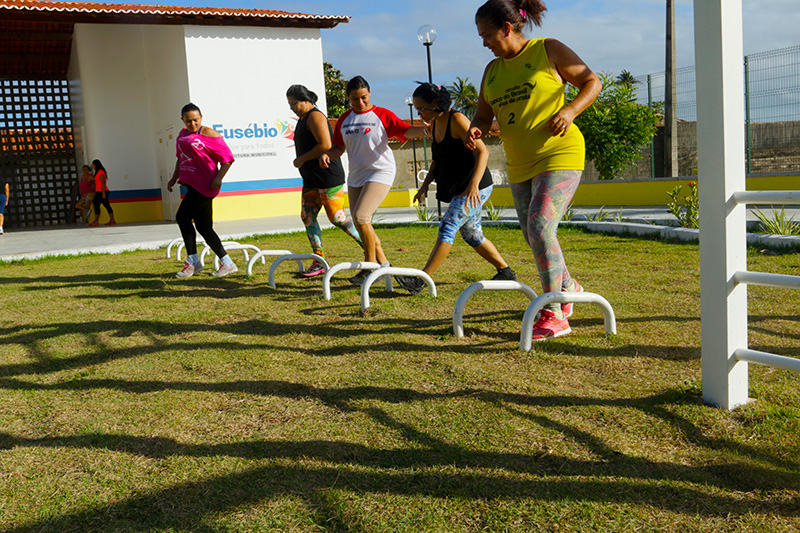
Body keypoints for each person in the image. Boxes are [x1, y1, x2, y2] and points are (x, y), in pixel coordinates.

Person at [466, 0, 601, 340]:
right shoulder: (492, 72)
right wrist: (476, 127)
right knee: (532, 233)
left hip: (560, 153)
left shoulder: (547, 50)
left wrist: (570, 111)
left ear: (507, 28)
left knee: (540, 227)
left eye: (486, 35)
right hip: (519, 163)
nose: (484, 43)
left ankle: (555, 312)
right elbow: (483, 114)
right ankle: (567, 285)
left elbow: (591, 82)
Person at [395, 83, 517, 295]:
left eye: (421, 108)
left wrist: (473, 187)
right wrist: (423, 186)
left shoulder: (458, 120)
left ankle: (420, 281)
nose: (419, 113)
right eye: (416, 109)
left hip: (477, 185)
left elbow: (483, 153)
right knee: (471, 233)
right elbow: (437, 160)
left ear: (435, 104)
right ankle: (505, 271)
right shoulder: (434, 124)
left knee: (449, 225)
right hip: (462, 186)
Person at [321, 76, 426, 285]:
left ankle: (369, 266)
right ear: (348, 99)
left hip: (380, 171)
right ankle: (384, 264)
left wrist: (426, 129)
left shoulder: (381, 114)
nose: (360, 103)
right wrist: (328, 154)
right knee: (361, 223)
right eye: (354, 99)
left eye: (364, 98)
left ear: (369, 94)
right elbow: (339, 147)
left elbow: (405, 130)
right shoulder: (344, 120)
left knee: (361, 216)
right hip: (357, 174)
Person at [287, 84, 363, 277]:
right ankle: (319, 259)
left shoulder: (315, 116)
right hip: (311, 180)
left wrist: (302, 159)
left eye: (294, 103)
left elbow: (325, 145)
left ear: (306, 100)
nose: (292, 108)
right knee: (307, 216)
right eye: (289, 104)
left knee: (337, 218)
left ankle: (371, 249)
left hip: (328, 178)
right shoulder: (303, 119)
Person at [168, 103, 237, 278]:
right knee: (204, 227)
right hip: (192, 184)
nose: (192, 124)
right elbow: (180, 158)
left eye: (195, 120)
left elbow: (227, 159)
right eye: (188, 121)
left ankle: (193, 262)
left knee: (182, 217)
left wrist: (218, 178)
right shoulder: (182, 135)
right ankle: (228, 263)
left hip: (206, 185)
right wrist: (174, 177)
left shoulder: (208, 133)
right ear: (182, 120)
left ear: (201, 117)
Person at [88, 159, 116, 226]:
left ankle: (96, 221)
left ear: (96, 165)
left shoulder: (100, 171)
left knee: (96, 205)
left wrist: (103, 193)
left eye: (93, 165)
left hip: (102, 191)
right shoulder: (97, 172)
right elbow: (98, 181)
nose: (93, 166)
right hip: (100, 191)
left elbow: (103, 182)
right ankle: (112, 220)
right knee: (106, 205)